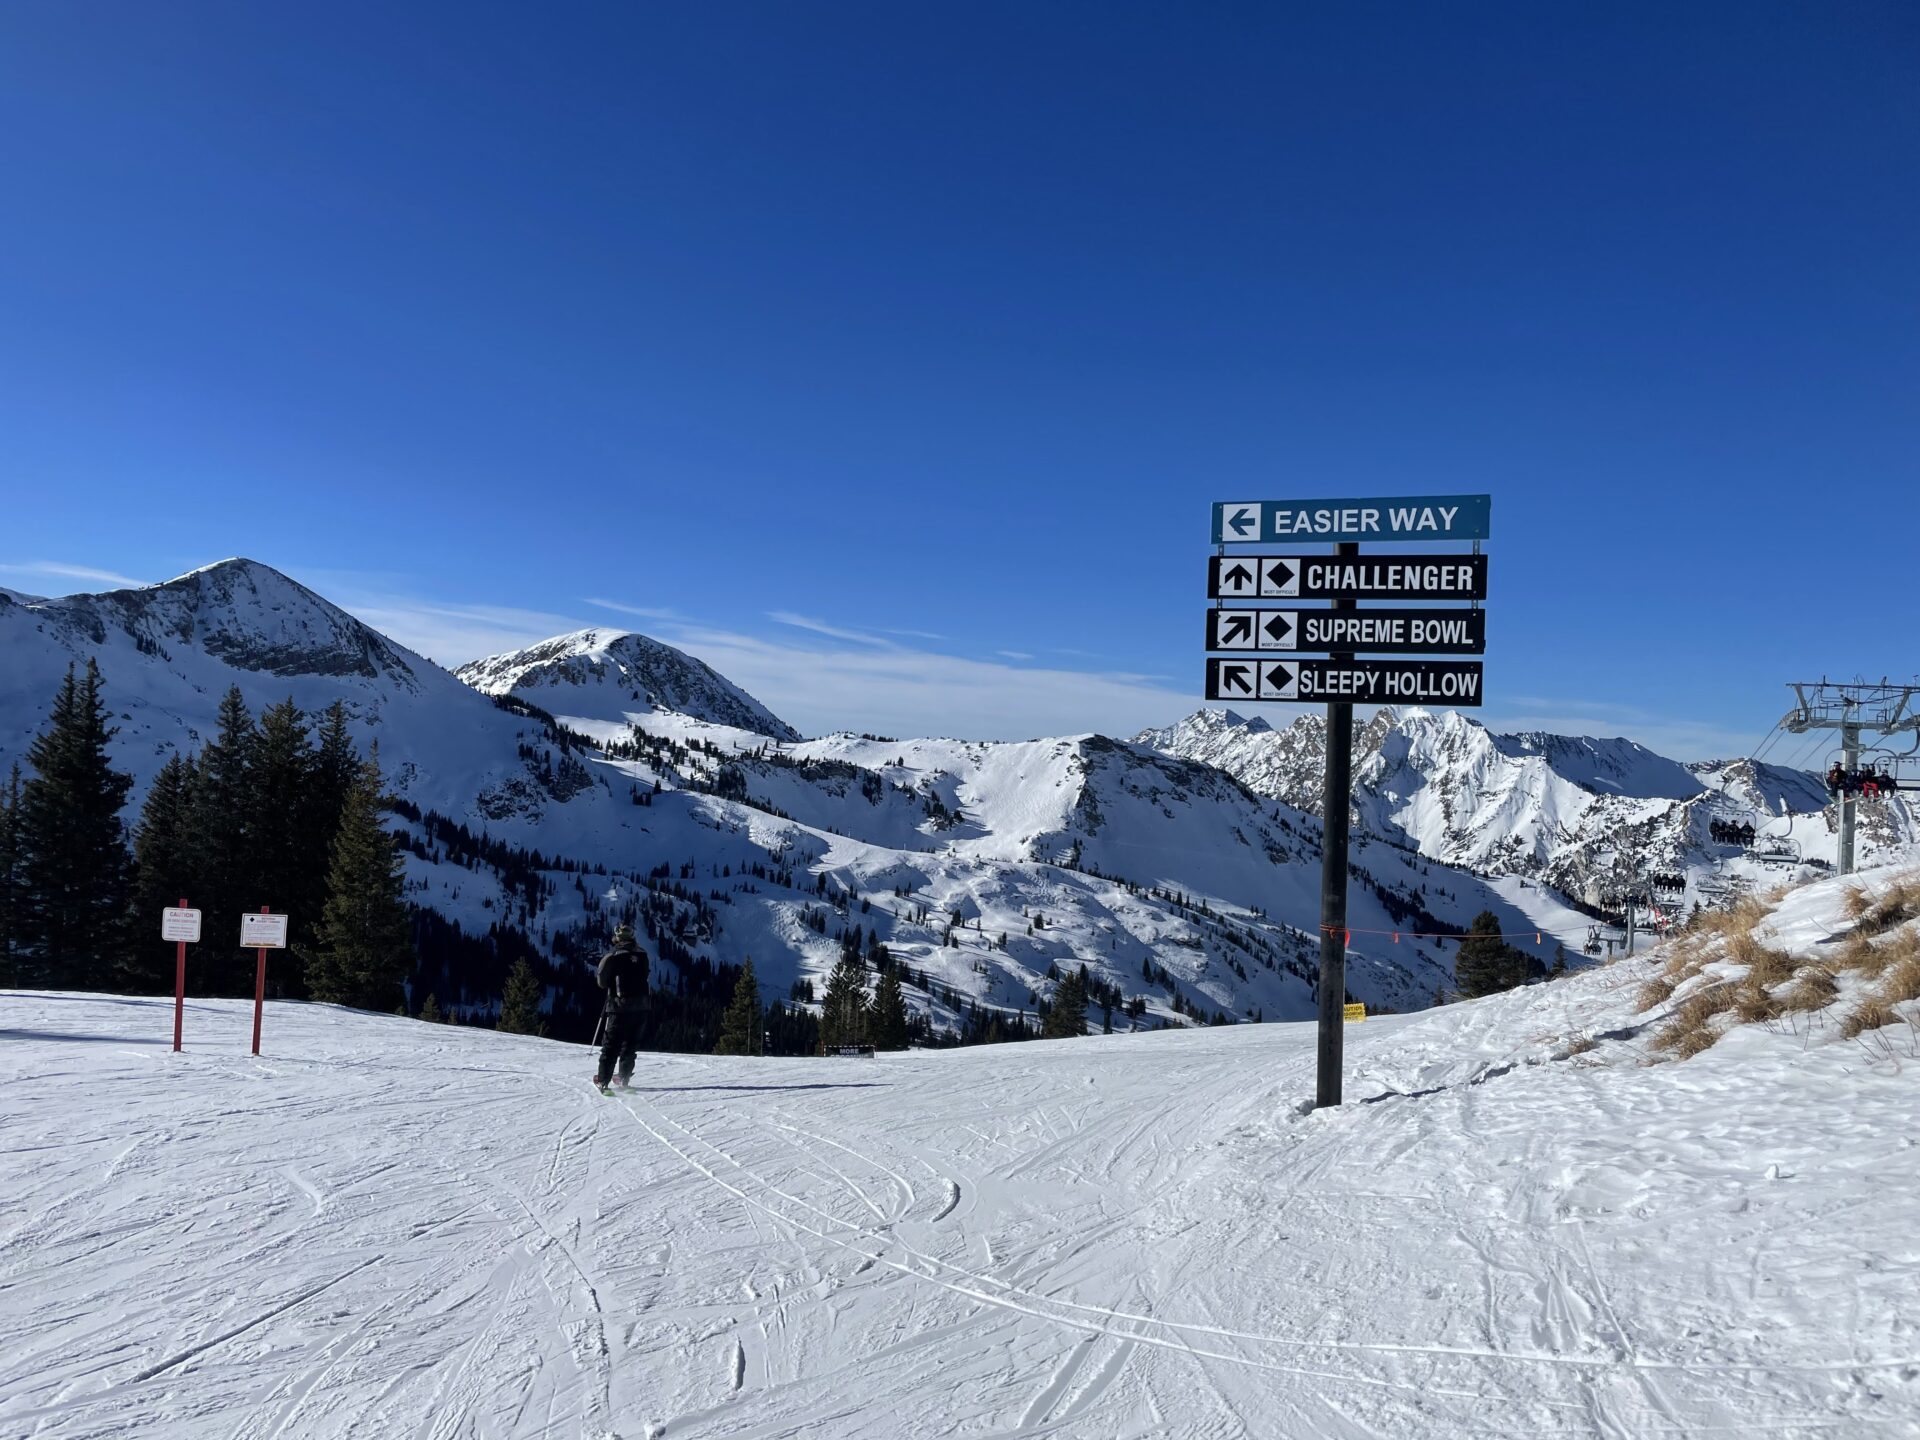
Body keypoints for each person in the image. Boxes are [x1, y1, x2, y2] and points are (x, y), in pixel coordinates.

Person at [593, 924, 650, 1092]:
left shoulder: (613, 956)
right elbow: (646, 975)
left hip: (618, 1007)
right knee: (630, 1045)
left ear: (617, 937)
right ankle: (623, 1079)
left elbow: (601, 981)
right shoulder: (642, 954)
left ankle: (603, 1080)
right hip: (641, 1006)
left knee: (611, 1045)